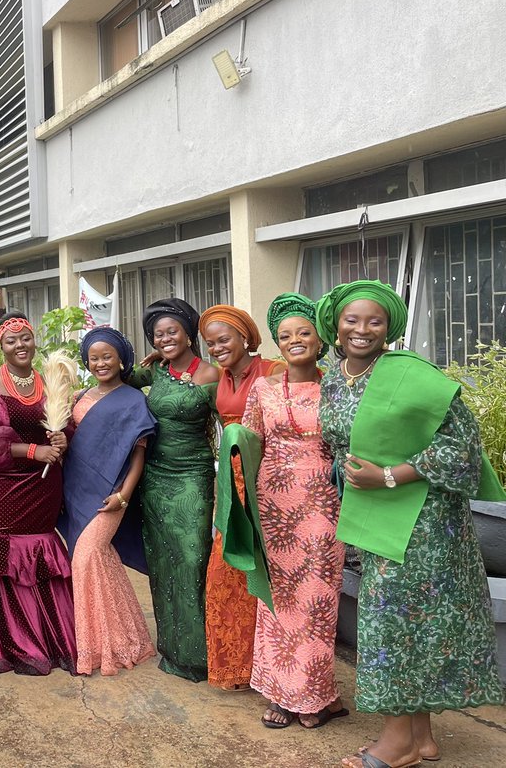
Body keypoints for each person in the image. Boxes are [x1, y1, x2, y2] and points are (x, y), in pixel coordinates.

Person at [314, 281, 504, 768]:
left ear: (389, 327)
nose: (362, 329)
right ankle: (420, 736)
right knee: (406, 621)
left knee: (392, 624)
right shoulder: (333, 376)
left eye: (374, 321)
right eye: (352, 320)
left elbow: (462, 446)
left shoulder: (411, 374)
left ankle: (396, 743)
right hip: (372, 517)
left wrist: (390, 476)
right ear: (336, 324)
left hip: (424, 523)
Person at [232, 294, 347, 730]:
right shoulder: (262, 388)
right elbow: (248, 445)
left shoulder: (339, 388)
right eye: (285, 335)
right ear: (276, 344)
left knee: (317, 599)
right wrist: (241, 508)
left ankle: (315, 695)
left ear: (320, 339)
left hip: (322, 502)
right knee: (277, 597)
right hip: (273, 504)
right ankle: (282, 694)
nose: (295, 340)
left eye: (304, 332)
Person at [0, 312, 76, 676]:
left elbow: (64, 425)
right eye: (11, 340)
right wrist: (34, 451)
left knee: (41, 553)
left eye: (25, 338)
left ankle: (48, 638)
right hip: (8, 483)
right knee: (9, 556)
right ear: (0, 345)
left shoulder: (48, 382)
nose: (20, 346)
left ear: (34, 341)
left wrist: (63, 437)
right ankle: (14, 642)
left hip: (46, 485)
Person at [59, 326, 157, 677]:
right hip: (75, 490)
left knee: (87, 558)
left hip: (109, 494)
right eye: (93, 358)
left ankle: (106, 645)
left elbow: (137, 457)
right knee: (95, 562)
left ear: (121, 359)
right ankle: (118, 638)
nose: (100, 363)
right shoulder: (80, 395)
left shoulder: (133, 400)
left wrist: (123, 496)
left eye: (107, 357)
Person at [130, 298, 218, 682]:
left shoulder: (211, 375)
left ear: (188, 333)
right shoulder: (155, 374)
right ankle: (173, 651)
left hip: (193, 478)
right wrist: (146, 362)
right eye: (157, 334)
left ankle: (203, 654)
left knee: (192, 560)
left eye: (172, 332)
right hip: (154, 479)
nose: (165, 338)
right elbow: (117, 380)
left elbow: (231, 417)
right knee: (163, 564)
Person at [198, 305, 284, 692]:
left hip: (266, 479)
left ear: (245, 337)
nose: (217, 348)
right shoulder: (218, 375)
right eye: (211, 343)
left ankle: (273, 669)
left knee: (267, 571)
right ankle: (238, 666)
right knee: (226, 571)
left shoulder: (274, 371)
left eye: (224, 339)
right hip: (229, 482)